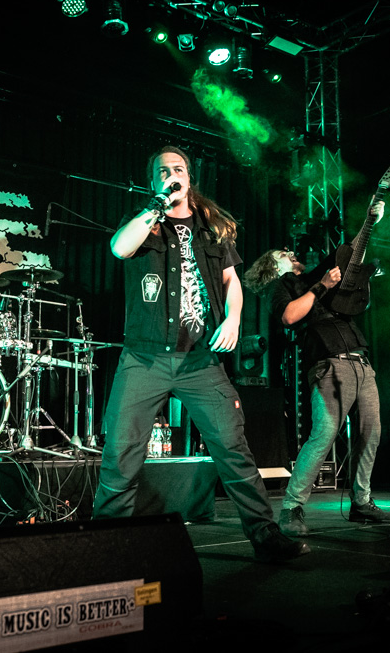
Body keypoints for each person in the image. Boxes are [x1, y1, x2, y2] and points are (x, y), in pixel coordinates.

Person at [93, 145, 309, 563]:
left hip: (200, 360)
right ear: (153, 181)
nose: (171, 175)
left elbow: (232, 281)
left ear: (190, 177)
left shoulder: (211, 229)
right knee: (121, 452)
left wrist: (233, 319)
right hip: (145, 357)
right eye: (163, 171)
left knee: (233, 447)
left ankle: (265, 535)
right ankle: (107, 543)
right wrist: (157, 205)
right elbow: (120, 248)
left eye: (178, 169)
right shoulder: (143, 221)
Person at [243, 202, 390, 538]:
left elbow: (351, 254)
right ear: (272, 266)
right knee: (324, 435)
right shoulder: (280, 286)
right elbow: (289, 316)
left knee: (371, 433)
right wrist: (322, 288)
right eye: (282, 253)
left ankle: (362, 502)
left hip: (361, 362)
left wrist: (369, 220)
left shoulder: (314, 276)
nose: (289, 252)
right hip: (329, 365)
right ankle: (291, 508)